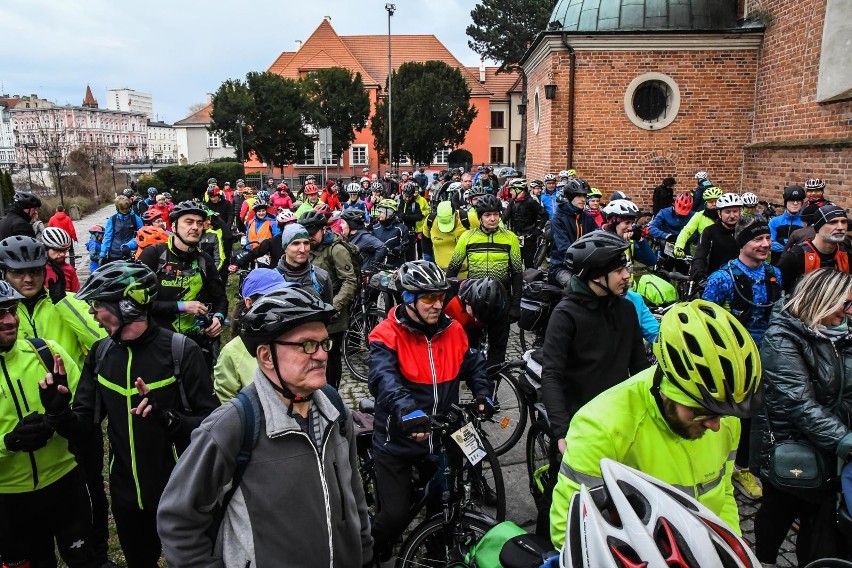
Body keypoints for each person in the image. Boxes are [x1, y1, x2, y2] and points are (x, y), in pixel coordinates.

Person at [158, 287, 372, 566]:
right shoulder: (233, 425)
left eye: (324, 344)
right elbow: (178, 518)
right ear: (266, 356)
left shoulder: (335, 408)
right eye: (306, 345)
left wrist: (364, 550)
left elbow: (353, 488)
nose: (321, 355)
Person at [42, 262, 219, 567]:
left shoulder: (181, 350)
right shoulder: (100, 354)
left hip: (180, 490)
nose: (93, 314)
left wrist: (169, 419)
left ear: (127, 304)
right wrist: (57, 411)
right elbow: (84, 425)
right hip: (127, 498)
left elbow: (213, 424)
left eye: (99, 305)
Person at [549, 299, 763, 547]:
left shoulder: (725, 419)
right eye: (702, 411)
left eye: (722, 414)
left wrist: (731, 547)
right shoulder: (600, 427)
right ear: (668, 390)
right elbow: (570, 534)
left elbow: (723, 492)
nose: (716, 425)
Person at [367, 261, 491, 562]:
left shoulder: (453, 329)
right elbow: (384, 379)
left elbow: (472, 363)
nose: (438, 304)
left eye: (441, 296)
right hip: (398, 439)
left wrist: (482, 393)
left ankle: (436, 555)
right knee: (395, 515)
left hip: (441, 436)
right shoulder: (386, 334)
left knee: (446, 505)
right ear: (408, 299)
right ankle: (369, 550)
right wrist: (407, 411)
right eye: (428, 299)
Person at [0, 237, 109, 566]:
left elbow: (102, 341)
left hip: (70, 419)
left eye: (34, 271)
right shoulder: (6, 312)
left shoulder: (62, 306)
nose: (28, 279)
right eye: (18, 274)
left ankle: (99, 554)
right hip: (16, 479)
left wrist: (63, 302)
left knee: (92, 494)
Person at [753, 268, 852, 566]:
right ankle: (763, 560)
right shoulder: (782, 337)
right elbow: (798, 403)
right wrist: (844, 439)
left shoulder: (844, 332)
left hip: (833, 449)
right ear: (822, 300)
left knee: (820, 523)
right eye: (845, 304)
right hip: (792, 445)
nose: (849, 311)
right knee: (777, 513)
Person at [540, 231, 650, 449]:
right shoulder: (565, 315)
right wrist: (562, 433)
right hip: (580, 419)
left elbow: (640, 367)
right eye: (619, 271)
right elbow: (551, 374)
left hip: (619, 416)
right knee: (566, 481)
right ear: (596, 277)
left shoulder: (626, 309)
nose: (627, 275)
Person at [701, 217, 781, 502]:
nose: (765, 245)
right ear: (742, 242)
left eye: (767, 239)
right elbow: (705, 321)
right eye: (757, 239)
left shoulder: (775, 273)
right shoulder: (723, 278)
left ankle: (744, 465)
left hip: (768, 354)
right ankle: (716, 463)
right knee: (730, 413)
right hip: (733, 356)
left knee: (756, 414)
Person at [561, 459, 762, 567]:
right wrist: (561, 431)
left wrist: (732, 536)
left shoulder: (729, 420)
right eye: (699, 411)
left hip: (689, 532)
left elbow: (724, 487)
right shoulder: (603, 420)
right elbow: (566, 516)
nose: (715, 425)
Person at [138, 201, 228, 372]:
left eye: (199, 223)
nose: (195, 227)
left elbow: (221, 299)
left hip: (195, 344)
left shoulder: (204, 260)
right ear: (173, 226)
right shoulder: (154, 255)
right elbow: (138, 304)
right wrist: (182, 306)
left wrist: (218, 318)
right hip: (158, 342)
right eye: (189, 222)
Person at [446, 194, 523, 368]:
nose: (493, 218)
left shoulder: (510, 238)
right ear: (480, 217)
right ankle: (475, 383)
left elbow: (517, 273)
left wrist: (516, 305)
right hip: (473, 301)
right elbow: (453, 270)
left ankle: (493, 385)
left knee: (498, 349)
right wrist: (448, 300)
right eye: (487, 215)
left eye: (496, 214)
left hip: (501, 300)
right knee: (470, 347)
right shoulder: (467, 237)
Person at [213, 269, 293, 403]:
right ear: (249, 303)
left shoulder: (294, 336)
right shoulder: (232, 353)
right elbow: (226, 407)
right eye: (272, 297)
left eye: (283, 295)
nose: (281, 303)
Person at [300, 211, 359, 389]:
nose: (309, 239)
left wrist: (334, 306)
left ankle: (332, 392)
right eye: (306, 235)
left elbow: (349, 281)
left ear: (323, 230)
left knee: (331, 356)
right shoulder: (308, 248)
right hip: (312, 312)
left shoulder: (336, 249)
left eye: (312, 235)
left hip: (333, 313)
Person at [778, 204, 850, 293]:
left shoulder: (847, 254)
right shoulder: (795, 256)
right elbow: (779, 291)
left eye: (843, 222)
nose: (840, 227)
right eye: (832, 222)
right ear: (818, 227)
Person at [548, 178, 598, 287]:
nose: (583, 199)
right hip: (561, 267)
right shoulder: (558, 219)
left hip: (585, 266)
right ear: (570, 197)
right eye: (579, 196)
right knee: (577, 287)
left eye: (585, 196)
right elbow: (564, 248)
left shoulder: (587, 218)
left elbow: (598, 236)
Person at [689, 192, 742, 283]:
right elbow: (700, 255)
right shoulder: (710, 232)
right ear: (719, 213)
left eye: (735, 211)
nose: (732, 215)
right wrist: (699, 275)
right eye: (728, 212)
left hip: (741, 279)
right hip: (715, 279)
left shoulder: (744, 230)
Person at [503, 178, 548, 269]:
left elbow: (544, 215)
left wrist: (538, 229)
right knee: (515, 262)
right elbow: (505, 216)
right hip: (516, 237)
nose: (510, 192)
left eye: (511, 190)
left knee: (529, 262)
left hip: (529, 237)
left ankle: (531, 281)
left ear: (518, 190)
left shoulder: (531, 201)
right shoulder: (513, 201)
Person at [674, 186, 722, 258]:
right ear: (706, 203)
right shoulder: (699, 215)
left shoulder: (725, 214)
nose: (714, 204)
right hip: (706, 251)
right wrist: (679, 246)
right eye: (711, 201)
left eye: (717, 201)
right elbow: (686, 231)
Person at [423, 201, 468, 271]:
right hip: (441, 275)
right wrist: (428, 265)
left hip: (466, 276)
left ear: (455, 214)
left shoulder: (467, 219)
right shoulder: (430, 221)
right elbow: (426, 242)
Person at [100, 195, 143, 265]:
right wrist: (103, 254)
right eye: (122, 209)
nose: (125, 211)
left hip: (130, 253)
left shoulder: (136, 219)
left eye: (126, 208)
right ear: (117, 208)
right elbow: (108, 237)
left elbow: (141, 235)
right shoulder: (112, 220)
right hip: (114, 254)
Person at [768, 185, 805, 262]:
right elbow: (770, 244)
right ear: (786, 202)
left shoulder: (805, 222)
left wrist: (782, 242)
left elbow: (806, 247)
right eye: (792, 200)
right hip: (777, 263)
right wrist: (791, 247)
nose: (795, 203)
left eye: (798, 201)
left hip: (798, 264)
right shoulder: (774, 221)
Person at [40, 226, 80, 293]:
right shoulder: (38, 270)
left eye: (64, 250)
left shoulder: (69, 269)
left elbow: (77, 295)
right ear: (45, 249)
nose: (62, 254)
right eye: (57, 250)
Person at [371, 198, 409, 268]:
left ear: (389, 213)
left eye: (381, 212)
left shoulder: (401, 228)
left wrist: (389, 250)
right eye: (378, 211)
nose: (378, 214)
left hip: (394, 267)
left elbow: (404, 248)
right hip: (376, 266)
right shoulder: (375, 227)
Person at [398, 182, 428, 261]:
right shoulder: (399, 201)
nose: (407, 199)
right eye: (406, 196)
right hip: (398, 232)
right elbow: (397, 213)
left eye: (409, 197)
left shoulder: (415, 204)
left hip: (410, 233)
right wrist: (401, 215)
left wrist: (407, 217)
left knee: (410, 256)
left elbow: (419, 216)